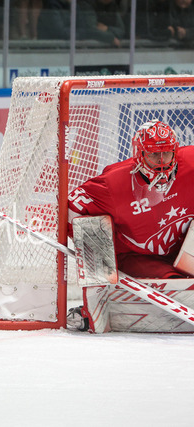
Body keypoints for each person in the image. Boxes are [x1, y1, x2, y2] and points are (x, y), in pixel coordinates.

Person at [67, 120, 194, 330]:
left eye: (167, 153)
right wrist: (101, 258)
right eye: (154, 154)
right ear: (139, 154)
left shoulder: (191, 162)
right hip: (137, 257)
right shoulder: (114, 183)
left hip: (182, 252)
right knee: (174, 283)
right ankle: (94, 309)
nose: (162, 161)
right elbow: (73, 207)